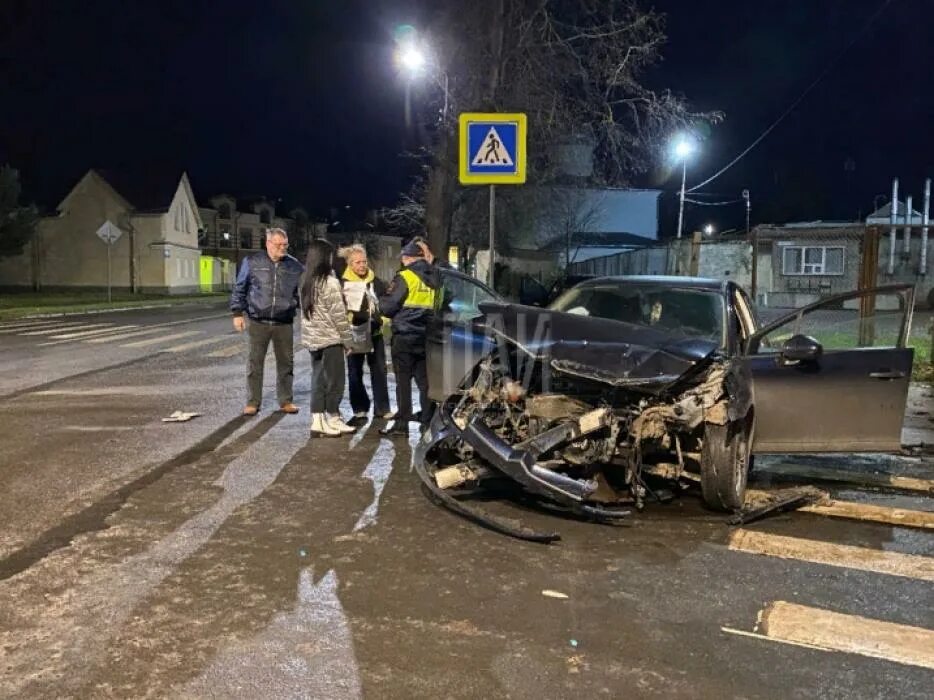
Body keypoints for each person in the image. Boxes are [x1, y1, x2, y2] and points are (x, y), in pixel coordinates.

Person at [230, 227, 304, 416]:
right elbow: (240, 288)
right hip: (258, 321)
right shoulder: (252, 262)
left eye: (285, 244)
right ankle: (253, 402)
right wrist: (237, 312)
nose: (283, 248)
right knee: (255, 363)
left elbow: (302, 292)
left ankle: (286, 401)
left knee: (286, 363)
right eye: (279, 244)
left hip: (284, 322)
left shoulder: (294, 266)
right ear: (268, 244)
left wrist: (298, 306)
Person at [379, 240, 440, 436]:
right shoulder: (435, 277)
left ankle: (402, 425)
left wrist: (380, 303)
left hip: (404, 337)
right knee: (425, 383)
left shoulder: (405, 277)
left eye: (404, 258)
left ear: (408, 258)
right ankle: (427, 422)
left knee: (403, 383)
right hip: (426, 337)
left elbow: (388, 307)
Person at [300, 239, 356, 437]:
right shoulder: (329, 282)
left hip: (313, 340)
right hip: (330, 339)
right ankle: (331, 416)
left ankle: (319, 420)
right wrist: (348, 341)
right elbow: (339, 317)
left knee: (318, 379)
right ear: (325, 257)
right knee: (335, 381)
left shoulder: (306, 280)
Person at [339, 244, 392, 427]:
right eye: (358, 262)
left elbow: (385, 303)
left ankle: (383, 408)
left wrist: (383, 319)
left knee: (379, 370)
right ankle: (360, 407)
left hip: (375, 332)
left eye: (364, 261)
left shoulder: (376, 282)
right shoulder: (343, 283)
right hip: (354, 334)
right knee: (354, 373)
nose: (362, 265)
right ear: (349, 264)